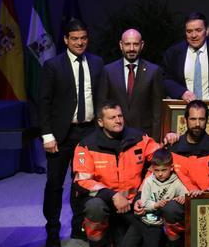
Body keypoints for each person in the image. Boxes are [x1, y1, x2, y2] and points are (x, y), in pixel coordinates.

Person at [38, 18, 104, 246]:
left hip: (88, 133)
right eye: (74, 39)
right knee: (55, 185)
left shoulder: (96, 63)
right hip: (60, 135)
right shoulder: (53, 66)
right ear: (66, 40)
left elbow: (101, 99)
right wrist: (47, 135)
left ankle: (79, 228)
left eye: (83, 38)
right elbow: (43, 102)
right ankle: (53, 230)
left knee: (82, 184)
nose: (79, 43)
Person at [73, 101, 160, 247]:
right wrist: (112, 195)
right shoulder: (86, 146)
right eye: (112, 118)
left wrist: (142, 194)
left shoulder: (139, 138)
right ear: (100, 122)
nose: (118, 120)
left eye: (120, 116)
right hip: (104, 202)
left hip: (135, 202)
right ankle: (98, 243)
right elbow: (82, 181)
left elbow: (161, 160)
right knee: (95, 207)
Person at [96, 28, 166, 137]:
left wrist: (155, 140)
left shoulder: (154, 71)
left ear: (142, 45)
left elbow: (157, 112)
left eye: (136, 44)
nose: (132, 49)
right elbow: (102, 106)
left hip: (144, 136)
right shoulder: (108, 71)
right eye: (128, 44)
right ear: (121, 45)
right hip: (115, 135)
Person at [161, 11, 209, 101]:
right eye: (189, 31)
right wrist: (182, 92)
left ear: (207, 31)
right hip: (184, 109)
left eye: (198, 30)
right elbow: (165, 79)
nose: (193, 35)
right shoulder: (173, 53)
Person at [130, 149, 188, 247]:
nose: (160, 174)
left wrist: (182, 198)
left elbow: (186, 196)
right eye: (157, 170)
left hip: (161, 224)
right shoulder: (148, 181)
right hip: (144, 221)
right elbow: (144, 203)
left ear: (171, 168)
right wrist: (156, 205)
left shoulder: (176, 182)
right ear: (152, 168)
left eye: (163, 170)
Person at [167, 100, 209, 195]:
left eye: (201, 119)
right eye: (193, 119)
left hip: (207, 197)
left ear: (207, 120)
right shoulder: (173, 147)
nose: (197, 124)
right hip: (179, 198)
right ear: (185, 120)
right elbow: (156, 173)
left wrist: (205, 194)